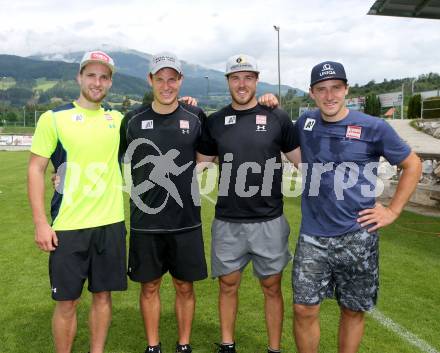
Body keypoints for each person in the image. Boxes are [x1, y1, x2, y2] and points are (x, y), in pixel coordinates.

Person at [290, 61, 422, 353]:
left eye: (336, 88)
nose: (329, 96)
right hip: (313, 236)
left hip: (357, 235)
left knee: (352, 309)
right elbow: (285, 144)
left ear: (346, 89)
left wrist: (393, 210)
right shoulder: (305, 123)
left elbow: (413, 164)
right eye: (322, 89)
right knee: (303, 309)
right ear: (312, 93)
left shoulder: (373, 126)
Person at [197, 54, 300, 353]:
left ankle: (274, 348)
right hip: (228, 220)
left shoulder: (277, 116)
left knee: (271, 288)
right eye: (235, 78)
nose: (241, 84)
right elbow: (200, 164)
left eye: (248, 77)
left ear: (256, 80)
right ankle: (227, 345)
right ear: (228, 81)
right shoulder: (215, 121)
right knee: (227, 285)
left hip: (269, 219)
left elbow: (302, 161)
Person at [28, 50, 127, 353]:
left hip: (110, 224)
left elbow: (160, 122)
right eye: (91, 75)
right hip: (68, 226)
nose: (97, 82)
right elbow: (36, 168)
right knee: (66, 301)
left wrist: (187, 103)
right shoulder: (54, 118)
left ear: (110, 82)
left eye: (104, 77)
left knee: (103, 296)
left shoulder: (119, 119)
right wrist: (41, 223)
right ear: (79, 77)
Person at [119, 52, 209, 353]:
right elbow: (111, 159)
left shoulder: (196, 117)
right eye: (160, 79)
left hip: (186, 221)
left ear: (180, 81)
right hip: (147, 221)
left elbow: (213, 153)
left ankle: (184, 345)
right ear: (151, 81)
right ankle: (153, 346)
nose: (167, 85)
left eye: (172, 79)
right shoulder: (132, 120)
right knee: (150, 286)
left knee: (185, 286)